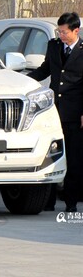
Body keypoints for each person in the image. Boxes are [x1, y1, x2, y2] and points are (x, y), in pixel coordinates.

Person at [27, 12, 83, 212]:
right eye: (59, 31)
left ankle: (70, 202)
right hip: (54, 113)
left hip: (75, 114)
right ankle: (48, 201)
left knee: (74, 159)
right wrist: (22, 80)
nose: (61, 35)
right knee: (51, 154)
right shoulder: (54, 46)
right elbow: (45, 70)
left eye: (64, 32)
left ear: (76, 31)